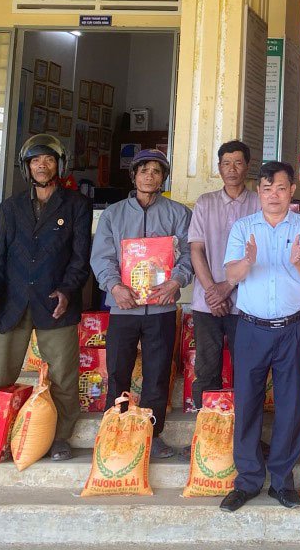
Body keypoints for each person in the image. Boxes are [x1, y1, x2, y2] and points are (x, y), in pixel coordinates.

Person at [0, 134, 92, 464]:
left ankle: (60, 437)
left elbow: (80, 258)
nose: (42, 165)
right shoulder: (11, 206)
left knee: (63, 376)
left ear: (60, 165)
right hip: (13, 301)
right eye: (35, 160)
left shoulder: (77, 205)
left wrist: (67, 290)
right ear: (26, 167)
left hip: (56, 303)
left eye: (49, 159)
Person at [221, 160, 300, 511]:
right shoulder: (243, 228)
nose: (274, 195)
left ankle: (281, 481)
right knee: (247, 403)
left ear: (292, 190)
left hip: (292, 328)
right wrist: (247, 262)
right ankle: (248, 481)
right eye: (267, 189)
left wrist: (298, 262)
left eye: (281, 188)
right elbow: (231, 276)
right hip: (251, 328)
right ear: (259, 192)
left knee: (291, 405)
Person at [90, 147, 192, 460]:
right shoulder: (113, 214)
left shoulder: (178, 214)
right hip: (123, 306)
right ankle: (116, 429)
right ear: (133, 175)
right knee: (117, 371)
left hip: (161, 307)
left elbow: (190, 255)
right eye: (144, 170)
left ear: (163, 178)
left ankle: (152, 434)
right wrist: (114, 286)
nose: (149, 176)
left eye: (156, 171)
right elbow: (102, 256)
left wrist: (176, 281)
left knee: (157, 374)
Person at [187, 140, 261, 409]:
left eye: (238, 163)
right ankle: (207, 428)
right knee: (207, 368)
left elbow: (260, 254)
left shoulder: (259, 203)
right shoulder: (205, 203)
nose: (232, 169)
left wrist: (226, 288)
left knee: (248, 369)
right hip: (206, 303)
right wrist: (213, 292)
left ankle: (243, 428)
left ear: (247, 167)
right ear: (219, 167)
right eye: (226, 163)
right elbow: (196, 250)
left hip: (246, 302)